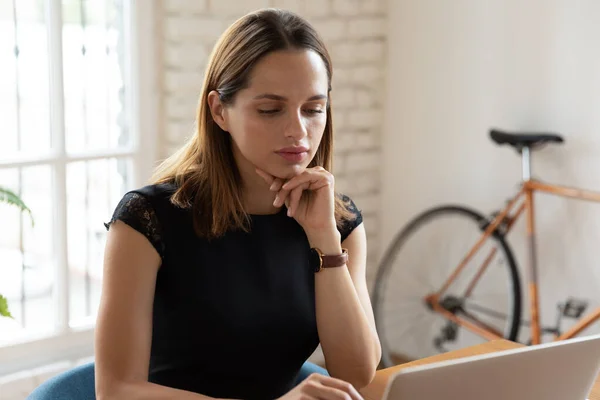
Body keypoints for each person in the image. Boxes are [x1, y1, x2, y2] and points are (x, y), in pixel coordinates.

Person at [94, 8, 381, 400]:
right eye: (270, 109)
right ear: (219, 111)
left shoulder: (337, 223)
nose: (298, 130)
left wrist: (324, 240)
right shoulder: (147, 222)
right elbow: (115, 390)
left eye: (313, 109)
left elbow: (357, 372)